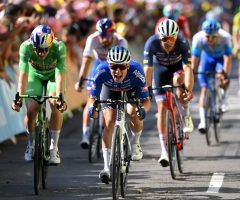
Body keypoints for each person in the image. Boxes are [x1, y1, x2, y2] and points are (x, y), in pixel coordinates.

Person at [88, 46, 151, 183]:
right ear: (109, 65)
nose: (117, 71)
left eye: (121, 67)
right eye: (114, 67)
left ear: (127, 66)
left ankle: (135, 142)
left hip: (131, 90)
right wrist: (93, 108)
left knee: (133, 112)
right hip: (109, 90)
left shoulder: (137, 71)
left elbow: (146, 100)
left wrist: (143, 110)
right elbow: (92, 98)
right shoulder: (101, 70)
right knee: (109, 121)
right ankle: (106, 167)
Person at [11, 24, 67, 165]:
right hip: (33, 76)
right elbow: (23, 74)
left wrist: (60, 96)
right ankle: (31, 144)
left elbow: (60, 74)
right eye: (38, 49)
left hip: (52, 76)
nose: (41, 53)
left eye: (44, 49)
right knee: (31, 109)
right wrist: (18, 96)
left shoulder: (59, 47)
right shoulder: (26, 47)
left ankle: (54, 149)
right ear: (32, 43)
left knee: (55, 104)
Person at [143, 19, 194, 167]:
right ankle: (164, 151)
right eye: (164, 38)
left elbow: (189, 69)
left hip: (177, 68)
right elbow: (148, 69)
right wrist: (147, 90)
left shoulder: (183, 43)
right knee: (161, 107)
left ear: (176, 36)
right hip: (161, 69)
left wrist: (188, 89)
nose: (168, 41)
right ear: (159, 37)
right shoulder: (151, 43)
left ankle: (186, 114)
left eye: (171, 38)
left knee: (179, 83)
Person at [75, 17, 128, 149]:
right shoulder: (92, 39)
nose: (104, 38)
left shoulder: (121, 41)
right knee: (91, 99)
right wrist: (81, 80)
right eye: (101, 35)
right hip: (98, 66)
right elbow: (86, 61)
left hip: (114, 68)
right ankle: (86, 134)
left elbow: (124, 65)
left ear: (113, 32)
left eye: (107, 34)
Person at [191, 18, 232, 133]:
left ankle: (224, 98)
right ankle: (203, 122)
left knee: (221, 77)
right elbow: (195, 59)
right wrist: (193, 73)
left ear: (218, 34)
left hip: (220, 59)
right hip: (206, 59)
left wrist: (225, 74)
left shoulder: (226, 37)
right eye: (207, 36)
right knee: (204, 89)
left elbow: (228, 58)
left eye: (213, 37)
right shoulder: (198, 38)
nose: (210, 39)